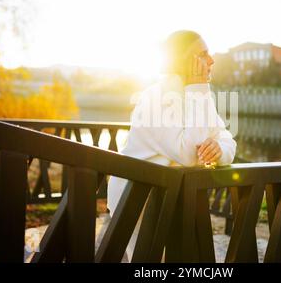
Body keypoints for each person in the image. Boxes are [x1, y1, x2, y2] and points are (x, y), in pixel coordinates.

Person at [100, 30, 237, 260]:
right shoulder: (155, 98)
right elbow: (188, 154)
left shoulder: (199, 96)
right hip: (136, 201)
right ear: (184, 61)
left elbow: (226, 139)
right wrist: (198, 89)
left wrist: (219, 150)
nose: (211, 60)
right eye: (203, 54)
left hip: (173, 198)